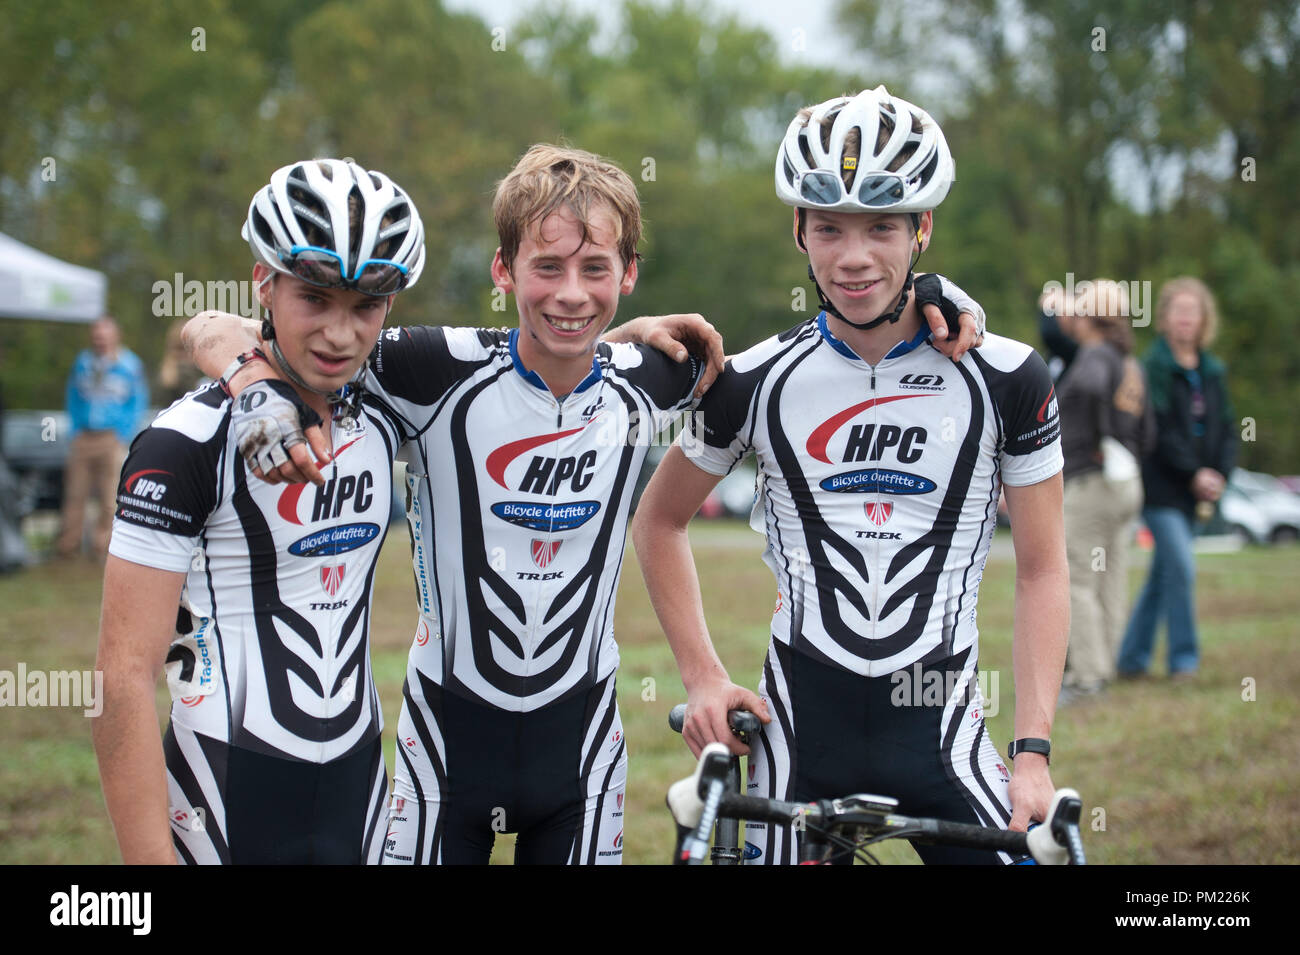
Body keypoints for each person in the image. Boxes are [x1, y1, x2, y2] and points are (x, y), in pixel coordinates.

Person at [187, 143, 985, 864]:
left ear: (628, 273)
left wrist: (934, 294)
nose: (571, 294)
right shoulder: (429, 370)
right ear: (503, 271)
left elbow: (832, 338)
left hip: (583, 761)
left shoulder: (660, 373)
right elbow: (216, 323)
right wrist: (255, 387)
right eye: (547, 269)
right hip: (442, 757)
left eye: (595, 270)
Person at [633, 86, 1069, 864]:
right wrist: (703, 676)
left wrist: (1031, 753)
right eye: (828, 226)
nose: (854, 255)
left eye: (882, 226)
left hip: (942, 732)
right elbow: (658, 520)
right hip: (797, 737)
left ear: (922, 228)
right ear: (798, 228)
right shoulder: (752, 378)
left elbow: (1042, 568)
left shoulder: (1007, 376)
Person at [93, 158, 428, 863]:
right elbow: (122, 676)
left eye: (365, 305)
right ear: (263, 284)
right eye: (315, 298)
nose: (340, 334)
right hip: (223, 794)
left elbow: (526, 360)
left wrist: (630, 336)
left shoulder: (388, 405)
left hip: (358, 790)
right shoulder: (182, 441)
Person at [1117, 277, 1236, 680]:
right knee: (1182, 567)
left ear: (1204, 319)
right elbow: (1160, 431)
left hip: (1197, 491)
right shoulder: (1153, 367)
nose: (1186, 318)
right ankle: (1184, 661)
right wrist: (1193, 472)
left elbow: (1226, 428)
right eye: (1178, 311)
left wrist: (1219, 473)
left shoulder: (1212, 371)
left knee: (1163, 574)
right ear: (1164, 318)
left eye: (1193, 311)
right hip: (1161, 488)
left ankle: (1132, 660)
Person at [1056, 280, 1153, 702]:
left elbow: (1093, 389)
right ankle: (1105, 663)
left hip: (1093, 479)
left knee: (1077, 577)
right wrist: (1122, 448)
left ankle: (1088, 678)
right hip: (1126, 480)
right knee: (1111, 575)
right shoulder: (1131, 362)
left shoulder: (1095, 355)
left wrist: (1097, 440)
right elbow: (1150, 429)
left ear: (1087, 316)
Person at [57, 316, 149, 558]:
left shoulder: (129, 365)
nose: (99, 340)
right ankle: (69, 546)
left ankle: (103, 547)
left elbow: (137, 401)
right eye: (96, 335)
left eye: (104, 335)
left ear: (115, 336)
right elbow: (73, 395)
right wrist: (75, 428)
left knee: (110, 495)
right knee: (76, 493)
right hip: (84, 436)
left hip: (111, 437)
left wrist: (124, 433)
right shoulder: (83, 362)